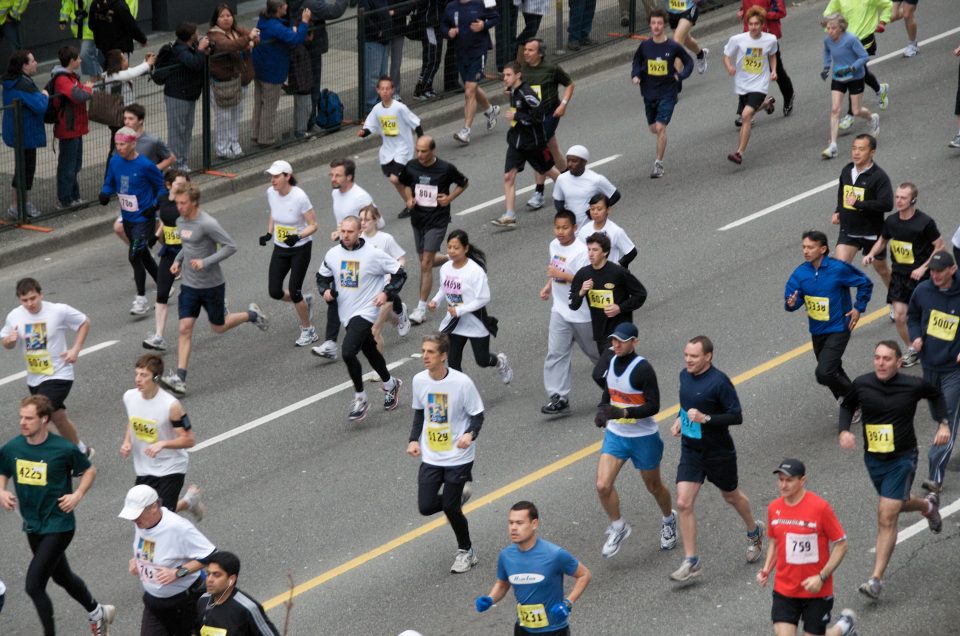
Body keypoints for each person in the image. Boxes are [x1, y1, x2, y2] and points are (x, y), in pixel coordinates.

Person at [839, 341, 947, 600]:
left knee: (886, 514)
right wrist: (844, 430)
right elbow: (846, 405)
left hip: (903, 458)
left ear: (899, 362)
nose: (880, 363)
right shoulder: (862, 383)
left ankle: (875, 579)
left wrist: (943, 423)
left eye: (887, 359)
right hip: (874, 459)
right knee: (897, 503)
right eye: (877, 357)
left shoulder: (913, 385)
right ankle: (928, 506)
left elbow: (935, 394)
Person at [0, 395, 115, 636]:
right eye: (21, 417)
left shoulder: (62, 448)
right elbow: (3, 470)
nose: (22, 422)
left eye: (28, 418)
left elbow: (89, 470)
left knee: (33, 585)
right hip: (33, 525)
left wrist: (77, 495)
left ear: (43, 420)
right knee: (62, 577)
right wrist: (1, 491)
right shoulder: (13, 448)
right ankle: (97, 612)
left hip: (59, 524)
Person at [669, 335, 764, 582]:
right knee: (683, 503)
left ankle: (754, 530)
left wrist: (707, 419)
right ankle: (692, 561)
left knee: (730, 495)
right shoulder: (683, 376)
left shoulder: (719, 382)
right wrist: (681, 419)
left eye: (694, 356)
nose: (688, 360)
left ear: (708, 357)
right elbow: (686, 405)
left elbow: (736, 416)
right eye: (686, 355)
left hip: (718, 451)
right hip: (691, 449)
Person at [161, 183, 269, 396]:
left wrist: (206, 262)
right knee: (184, 328)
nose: (179, 207)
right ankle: (180, 378)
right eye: (178, 203)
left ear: (194, 202)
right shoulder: (180, 220)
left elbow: (231, 246)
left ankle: (252, 314)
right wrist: (177, 260)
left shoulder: (208, 223)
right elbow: (187, 245)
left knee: (218, 327)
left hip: (211, 285)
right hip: (190, 285)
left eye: (183, 203)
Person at [591, 323, 676, 559]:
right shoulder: (610, 359)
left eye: (621, 341)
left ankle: (669, 519)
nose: (615, 345)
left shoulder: (643, 369)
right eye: (613, 340)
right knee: (602, 485)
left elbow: (654, 405)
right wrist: (602, 411)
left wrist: (625, 413)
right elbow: (608, 391)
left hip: (643, 437)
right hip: (617, 435)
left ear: (634, 342)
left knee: (653, 487)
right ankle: (618, 527)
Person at [408, 332, 484, 572]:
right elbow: (420, 411)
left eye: (430, 352)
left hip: (459, 456)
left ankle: (466, 551)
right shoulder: (419, 380)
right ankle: (457, 498)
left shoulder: (462, 383)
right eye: (423, 351)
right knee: (427, 506)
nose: (425, 356)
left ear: (443, 356)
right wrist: (413, 439)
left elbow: (477, 415)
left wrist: (470, 434)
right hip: (432, 454)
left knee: (450, 508)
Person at [317, 215, 406, 421]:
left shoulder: (373, 254)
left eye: (350, 232)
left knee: (348, 352)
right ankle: (390, 383)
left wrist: (386, 293)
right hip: (346, 313)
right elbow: (322, 276)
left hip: (366, 312)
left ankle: (361, 397)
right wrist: (325, 291)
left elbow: (400, 273)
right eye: (343, 231)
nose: (346, 235)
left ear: (359, 232)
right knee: (369, 350)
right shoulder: (332, 254)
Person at [757, 459, 857, 636]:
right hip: (785, 589)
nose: (783, 485)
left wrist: (821, 577)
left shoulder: (820, 508)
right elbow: (774, 541)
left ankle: (843, 628)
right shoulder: (774, 508)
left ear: (802, 481)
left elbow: (841, 544)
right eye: (780, 480)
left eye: (789, 480)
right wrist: (766, 570)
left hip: (816, 590)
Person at [1, 277, 92, 456]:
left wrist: (75, 349)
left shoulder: (58, 311)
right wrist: (8, 341)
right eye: (25, 300)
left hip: (59, 374)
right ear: (19, 299)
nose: (30, 304)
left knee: (36, 417)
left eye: (33, 298)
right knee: (58, 417)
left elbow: (84, 322)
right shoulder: (14, 316)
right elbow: (6, 342)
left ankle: (53, 458)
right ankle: (81, 451)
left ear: (41, 294)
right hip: (34, 377)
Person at [784, 230, 872, 409]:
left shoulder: (837, 269)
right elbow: (792, 300)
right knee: (834, 369)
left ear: (823, 249)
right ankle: (853, 404)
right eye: (804, 247)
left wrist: (858, 308)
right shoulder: (800, 273)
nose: (806, 251)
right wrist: (791, 302)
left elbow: (865, 283)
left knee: (824, 372)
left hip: (839, 327)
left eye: (811, 247)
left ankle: (854, 399)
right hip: (817, 331)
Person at [475, 500, 592, 634]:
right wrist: (490, 599)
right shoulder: (506, 556)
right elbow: (502, 584)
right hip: (522, 628)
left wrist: (568, 603)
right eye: (510, 522)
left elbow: (584, 575)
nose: (513, 527)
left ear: (534, 524)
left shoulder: (555, 554)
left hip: (554, 631)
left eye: (519, 523)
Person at [119, 484, 217, 635]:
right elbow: (150, 545)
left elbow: (211, 555)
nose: (133, 519)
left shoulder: (178, 527)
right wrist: (137, 560)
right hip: (154, 604)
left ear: (153, 507)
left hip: (184, 604)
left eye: (136, 514)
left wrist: (177, 573)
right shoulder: (143, 523)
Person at [863, 183, 943, 365]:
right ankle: (913, 349)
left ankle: (937, 346)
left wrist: (924, 267)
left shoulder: (925, 222)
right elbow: (882, 241)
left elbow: (940, 247)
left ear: (913, 200)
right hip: (899, 275)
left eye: (903, 198)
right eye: (897, 197)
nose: (898, 201)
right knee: (900, 316)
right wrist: (871, 254)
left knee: (927, 316)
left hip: (921, 277)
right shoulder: (891, 221)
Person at [121, 354, 206, 520]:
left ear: (156, 377)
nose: (138, 379)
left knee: (159, 519)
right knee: (140, 515)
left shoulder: (171, 405)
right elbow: (133, 420)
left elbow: (189, 439)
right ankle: (189, 502)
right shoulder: (130, 397)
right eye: (137, 374)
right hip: (144, 468)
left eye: (143, 375)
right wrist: (127, 442)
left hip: (171, 467)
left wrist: (163, 444)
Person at [313, 158, 378, 359]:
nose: (333, 178)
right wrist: (340, 232)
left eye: (337, 175)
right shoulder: (335, 193)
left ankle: (397, 308)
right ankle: (331, 343)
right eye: (331, 174)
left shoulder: (360, 196)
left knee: (373, 295)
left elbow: (378, 221)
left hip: (361, 253)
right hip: (344, 252)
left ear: (349, 177)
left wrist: (357, 236)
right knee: (336, 294)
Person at [907, 251, 960, 495]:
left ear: (952, 269)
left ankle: (934, 477)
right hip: (930, 367)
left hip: (954, 370)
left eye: (940, 271)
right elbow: (913, 316)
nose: (935, 275)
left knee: (945, 421)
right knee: (938, 415)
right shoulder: (923, 291)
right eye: (932, 271)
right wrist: (916, 336)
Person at [400, 136, 468, 325]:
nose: (420, 155)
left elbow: (463, 182)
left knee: (425, 264)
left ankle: (420, 309)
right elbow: (405, 184)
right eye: (418, 151)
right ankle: (450, 256)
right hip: (418, 219)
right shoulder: (411, 166)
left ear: (433, 151)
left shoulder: (445, 168)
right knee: (424, 260)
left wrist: (449, 198)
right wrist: (408, 199)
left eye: (424, 151)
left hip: (437, 220)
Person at [429, 229, 512, 382]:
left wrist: (460, 310)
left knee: (482, 360)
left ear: (466, 249)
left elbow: (484, 298)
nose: (452, 251)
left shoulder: (474, 271)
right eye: (449, 247)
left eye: (456, 248)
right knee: (453, 363)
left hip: (475, 320)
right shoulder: (446, 268)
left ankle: (500, 362)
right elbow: (444, 288)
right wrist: (435, 300)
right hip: (455, 323)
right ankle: (462, 393)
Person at [100, 126, 165, 316]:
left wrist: (153, 207)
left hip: (143, 218)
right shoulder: (115, 161)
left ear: (133, 144)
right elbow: (110, 180)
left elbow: (161, 188)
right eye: (117, 144)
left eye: (123, 144)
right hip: (127, 217)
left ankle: (141, 299)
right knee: (143, 254)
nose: (119, 148)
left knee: (134, 256)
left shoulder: (145, 165)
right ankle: (164, 286)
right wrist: (105, 192)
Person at [540, 209, 598, 415]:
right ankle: (558, 397)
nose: (560, 232)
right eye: (557, 227)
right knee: (556, 353)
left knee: (595, 353)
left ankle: (617, 385)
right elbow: (555, 269)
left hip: (581, 312)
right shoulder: (553, 245)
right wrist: (549, 285)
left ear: (575, 228)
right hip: (560, 310)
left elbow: (586, 280)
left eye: (565, 228)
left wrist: (562, 275)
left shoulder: (582, 251)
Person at [259, 159, 319, 347]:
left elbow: (314, 225)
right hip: (280, 248)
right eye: (271, 177)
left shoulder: (300, 197)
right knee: (274, 291)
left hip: (300, 249)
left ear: (287, 176)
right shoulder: (271, 192)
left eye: (276, 176)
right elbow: (273, 213)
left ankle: (309, 331)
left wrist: (298, 236)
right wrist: (269, 233)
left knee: (294, 291)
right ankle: (304, 300)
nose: (272, 180)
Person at [492, 61, 559, 228]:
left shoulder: (527, 93)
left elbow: (540, 115)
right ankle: (509, 215)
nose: (505, 78)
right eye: (504, 75)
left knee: (550, 171)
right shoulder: (513, 90)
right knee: (508, 176)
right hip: (516, 142)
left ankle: (576, 191)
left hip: (533, 143)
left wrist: (518, 117)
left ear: (518, 75)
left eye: (508, 75)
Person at [631, 9, 693, 179]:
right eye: (653, 23)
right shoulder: (645, 46)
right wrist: (636, 75)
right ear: (650, 25)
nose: (656, 26)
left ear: (663, 25)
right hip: (649, 92)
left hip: (668, 92)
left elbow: (689, 63)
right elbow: (637, 62)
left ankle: (658, 164)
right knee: (653, 128)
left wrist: (680, 76)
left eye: (659, 23)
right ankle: (659, 152)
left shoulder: (673, 46)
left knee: (660, 127)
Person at [569, 232, 647, 362]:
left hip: (621, 333)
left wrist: (620, 308)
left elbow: (640, 294)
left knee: (604, 373)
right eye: (589, 249)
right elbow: (572, 304)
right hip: (600, 333)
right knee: (609, 376)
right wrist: (582, 292)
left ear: (605, 252)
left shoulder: (618, 272)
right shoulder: (583, 274)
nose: (590, 254)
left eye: (595, 250)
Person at [831, 134, 893, 289]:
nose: (856, 153)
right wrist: (838, 210)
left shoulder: (879, 177)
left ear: (872, 152)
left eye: (861, 149)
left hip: (872, 233)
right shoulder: (847, 170)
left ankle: (898, 299)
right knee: (839, 271)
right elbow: (842, 193)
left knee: (882, 270)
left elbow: (887, 204)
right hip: (849, 230)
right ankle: (843, 311)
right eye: (854, 148)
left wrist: (860, 204)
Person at [358, 75, 424, 219]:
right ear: (378, 91)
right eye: (382, 89)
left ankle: (411, 203)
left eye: (388, 88)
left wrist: (421, 142)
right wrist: (364, 132)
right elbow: (370, 126)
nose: (385, 92)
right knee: (396, 180)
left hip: (403, 148)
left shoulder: (399, 108)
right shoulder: (376, 109)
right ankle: (410, 203)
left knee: (395, 178)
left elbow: (416, 123)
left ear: (392, 90)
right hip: (387, 151)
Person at [519, 38, 574, 206]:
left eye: (530, 50)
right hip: (533, 117)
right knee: (552, 147)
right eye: (525, 49)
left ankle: (539, 192)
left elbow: (570, 84)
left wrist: (563, 105)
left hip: (550, 114)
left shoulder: (551, 69)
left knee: (538, 147)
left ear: (540, 54)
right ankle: (570, 177)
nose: (526, 53)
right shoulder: (522, 70)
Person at [822, 0, 891, 129]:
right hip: (846, 41)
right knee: (861, 73)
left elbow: (887, 4)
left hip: (865, 40)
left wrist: (883, 21)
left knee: (853, 75)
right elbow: (828, 12)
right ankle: (880, 89)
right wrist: (831, 30)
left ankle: (850, 115)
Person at [722, 6, 777, 165]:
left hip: (760, 84)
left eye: (756, 24)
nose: (753, 27)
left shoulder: (770, 39)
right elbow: (726, 56)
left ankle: (739, 153)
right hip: (742, 84)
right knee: (745, 114)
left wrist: (773, 71)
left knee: (746, 116)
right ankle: (766, 104)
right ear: (747, 24)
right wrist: (729, 66)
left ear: (762, 24)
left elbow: (772, 55)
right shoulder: (738, 39)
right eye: (751, 24)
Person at [441, 0, 500, 145]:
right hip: (461, 53)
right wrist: (448, 32)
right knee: (471, 87)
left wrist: (483, 25)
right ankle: (490, 110)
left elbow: (496, 17)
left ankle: (466, 131)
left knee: (469, 90)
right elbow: (443, 25)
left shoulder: (482, 2)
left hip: (479, 51)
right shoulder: (451, 6)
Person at [252, 0, 310, 147]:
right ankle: (266, 139)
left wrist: (291, 28)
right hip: (273, 71)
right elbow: (296, 39)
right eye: (284, 4)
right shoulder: (275, 27)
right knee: (269, 106)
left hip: (259, 68)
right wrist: (304, 22)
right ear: (279, 9)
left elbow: (286, 31)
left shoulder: (264, 20)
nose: (287, 6)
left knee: (259, 103)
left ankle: (256, 135)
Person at [143, 170, 190, 352]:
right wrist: (156, 236)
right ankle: (159, 336)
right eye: (179, 184)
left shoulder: (187, 203)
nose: (183, 187)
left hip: (189, 251)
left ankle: (220, 304)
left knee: (203, 289)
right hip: (170, 251)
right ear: (169, 185)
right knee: (161, 294)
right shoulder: (163, 198)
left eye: (186, 184)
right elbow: (166, 220)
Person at [820, 13, 877, 160]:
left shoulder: (851, 39)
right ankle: (833, 145)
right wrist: (826, 67)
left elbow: (864, 56)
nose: (830, 31)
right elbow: (827, 52)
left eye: (833, 28)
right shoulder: (828, 41)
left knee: (856, 111)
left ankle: (872, 118)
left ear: (841, 28)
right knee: (835, 109)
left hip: (855, 77)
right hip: (838, 77)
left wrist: (852, 68)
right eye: (828, 28)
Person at [207, 3, 259, 160]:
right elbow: (228, 46)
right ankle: (222, 149)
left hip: (241, 81)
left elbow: (255, 37)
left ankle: (234, 144)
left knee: (237, 114)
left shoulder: (237, 30)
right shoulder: (213, 35)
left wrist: (250, 40)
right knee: (223, 117)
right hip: (223, 84)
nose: (226, 19)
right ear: (216, 19)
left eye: (228, 15)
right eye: (222, 16)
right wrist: (247, 41)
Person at [2, 49, 47, 219]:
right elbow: (40, 106)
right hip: (26, 132)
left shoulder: (10, 82)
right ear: (24, 66)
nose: (36, 63)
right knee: (27, 169)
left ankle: (17, 204)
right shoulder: (24, 84)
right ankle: (21, 204)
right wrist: (45, 95)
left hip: (15, 131)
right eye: (33, 61)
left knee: (21, 168)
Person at [360, 204, 411, 353]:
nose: (363, 223)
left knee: (375, 327)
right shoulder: (358, 239)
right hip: (367, 285)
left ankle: (398, 314)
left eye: (367, 220)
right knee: (384, 314)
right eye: (361, 219)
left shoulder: (386, 239)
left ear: (375, 220)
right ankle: (398, 314)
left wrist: (393, 273)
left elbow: (401, 259)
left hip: (386, 285)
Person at [194, 551, 280, 635]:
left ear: (232, 579)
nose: (209, 580)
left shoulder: (247, 608)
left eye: (216, 575)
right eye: (208, 574)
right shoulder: (203, 601)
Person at [163, 23, 209, 172]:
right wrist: (201, 49)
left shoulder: (191, 47)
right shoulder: (180, 50)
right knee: (177, 131)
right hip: (177, 95)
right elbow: (194, 63)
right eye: (197, 31)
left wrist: (202, 50)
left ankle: (183, 161)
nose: (199, 33)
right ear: (191, 35)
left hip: (189, 94)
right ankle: (176, 164)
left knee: (187, 129)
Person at [51, 45, 92, 210]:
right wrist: (88, 88)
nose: (81, 60)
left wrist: (85, 89)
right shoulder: (63, 79)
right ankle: (66, 199)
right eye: (78, 59)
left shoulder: (71, 77)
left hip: (74, 127)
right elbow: (79, 96)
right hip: (69, 128)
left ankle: (74, 196)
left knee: (74, 164)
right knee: (68, 166)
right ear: (71, 61)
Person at [737, 0, 794, 117]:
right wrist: (743, 12)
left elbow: (781, 11)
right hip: (751, 37)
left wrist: (762, 14)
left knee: (777, 71)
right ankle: (743, 113)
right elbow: (747, 8)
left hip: (767, 37)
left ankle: (788, 94)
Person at [551, 144, 620, 227]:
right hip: (573, 230)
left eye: (574, 161)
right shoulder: (561, 179)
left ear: (584, 162)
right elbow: (558, 200)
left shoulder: (596, 179)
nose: (569, 164)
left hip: (593, 227)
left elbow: (615, 195)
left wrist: (597, 210)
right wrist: (564, 214)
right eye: (568, 160)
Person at [576, 194, 637, 268]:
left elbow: (631, 252)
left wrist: (616, 267)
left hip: (609, 276)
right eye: (592, 209)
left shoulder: (616, 231)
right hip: (590, 274)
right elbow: (578, 252)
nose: (595, 212)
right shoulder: (584, 230)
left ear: (608, 210)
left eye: (599, 209)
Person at [359, 0, 389, 113]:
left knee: (382, 74)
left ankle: (379, 103)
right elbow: (365, 17)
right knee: (372, 76)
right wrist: (378, 32)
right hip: (372, 40)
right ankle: (369, 106)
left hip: (383, 40)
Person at [667, 0, 707, 74]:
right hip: (672, 11)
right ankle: (701, 54)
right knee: (686, 41)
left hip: (688, 8)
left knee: (677, 41)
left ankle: (675, 78)